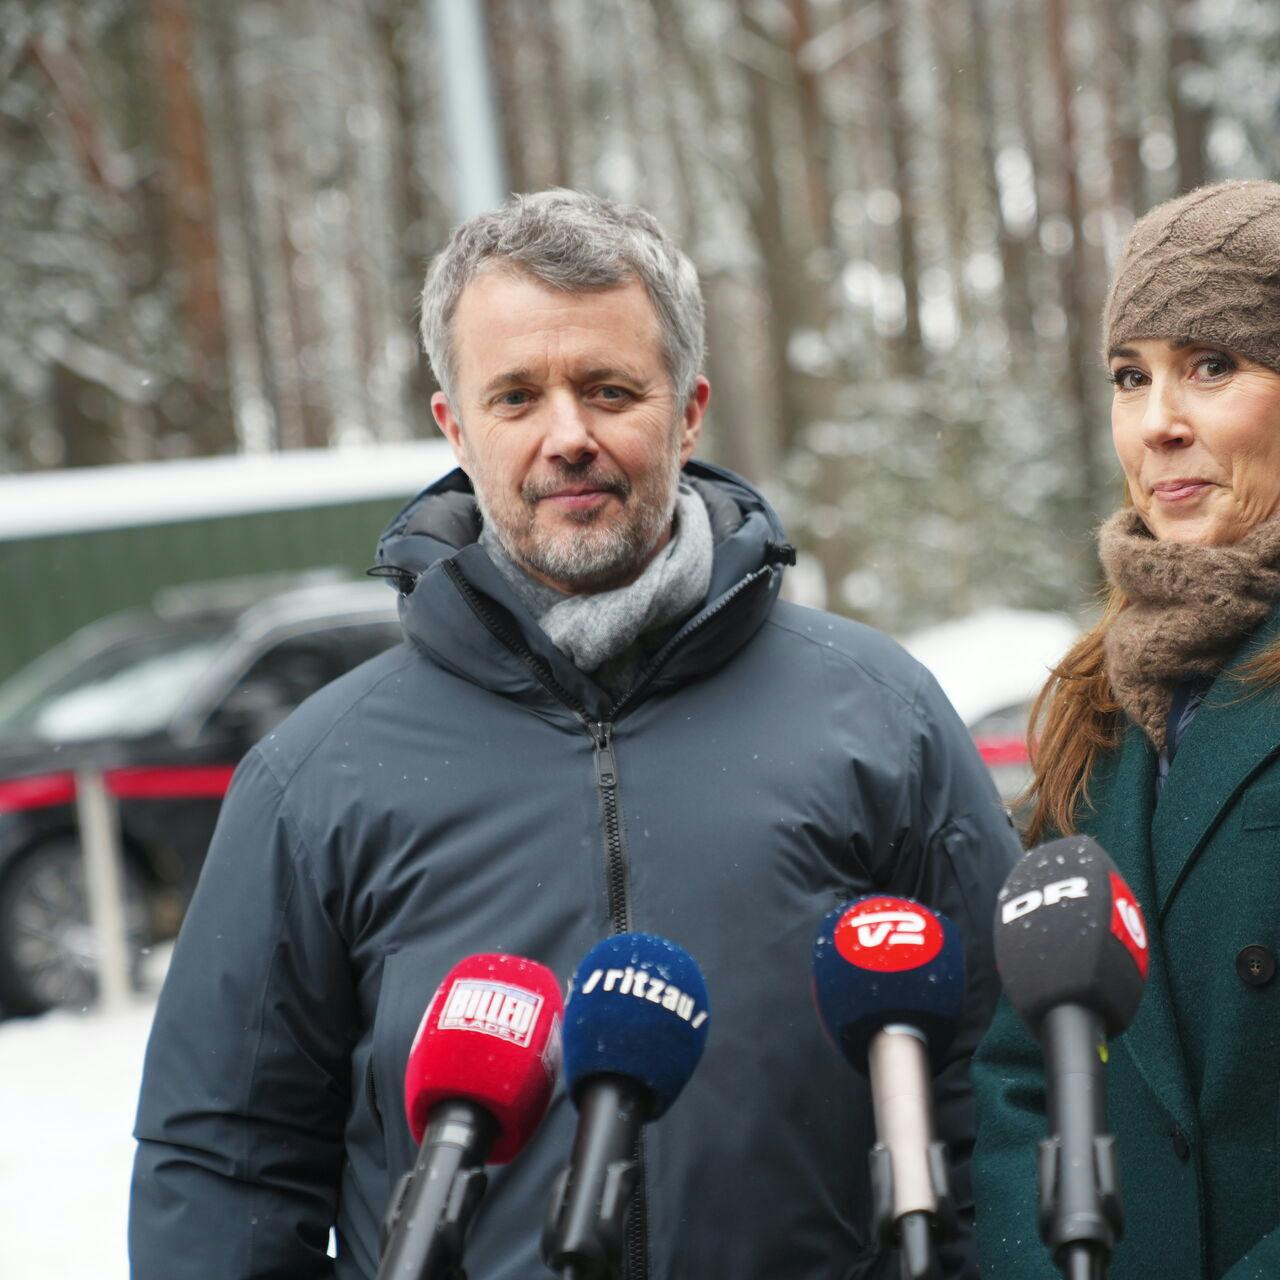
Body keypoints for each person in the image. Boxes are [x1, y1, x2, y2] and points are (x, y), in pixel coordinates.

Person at [130, 189, 1019, 1279]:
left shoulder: (879, 714)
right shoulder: (316, 775)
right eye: (516, 395)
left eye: (608, 389)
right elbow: (222, 1164)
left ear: (687, 411)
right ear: (455, 426)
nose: (568, 437)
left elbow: (1001, 1078)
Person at [973, 179, 1280, 1279]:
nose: (1158, 421)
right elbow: (1017, 1068)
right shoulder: (1090, 696)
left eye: (1211, 363)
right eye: (1127, 376)